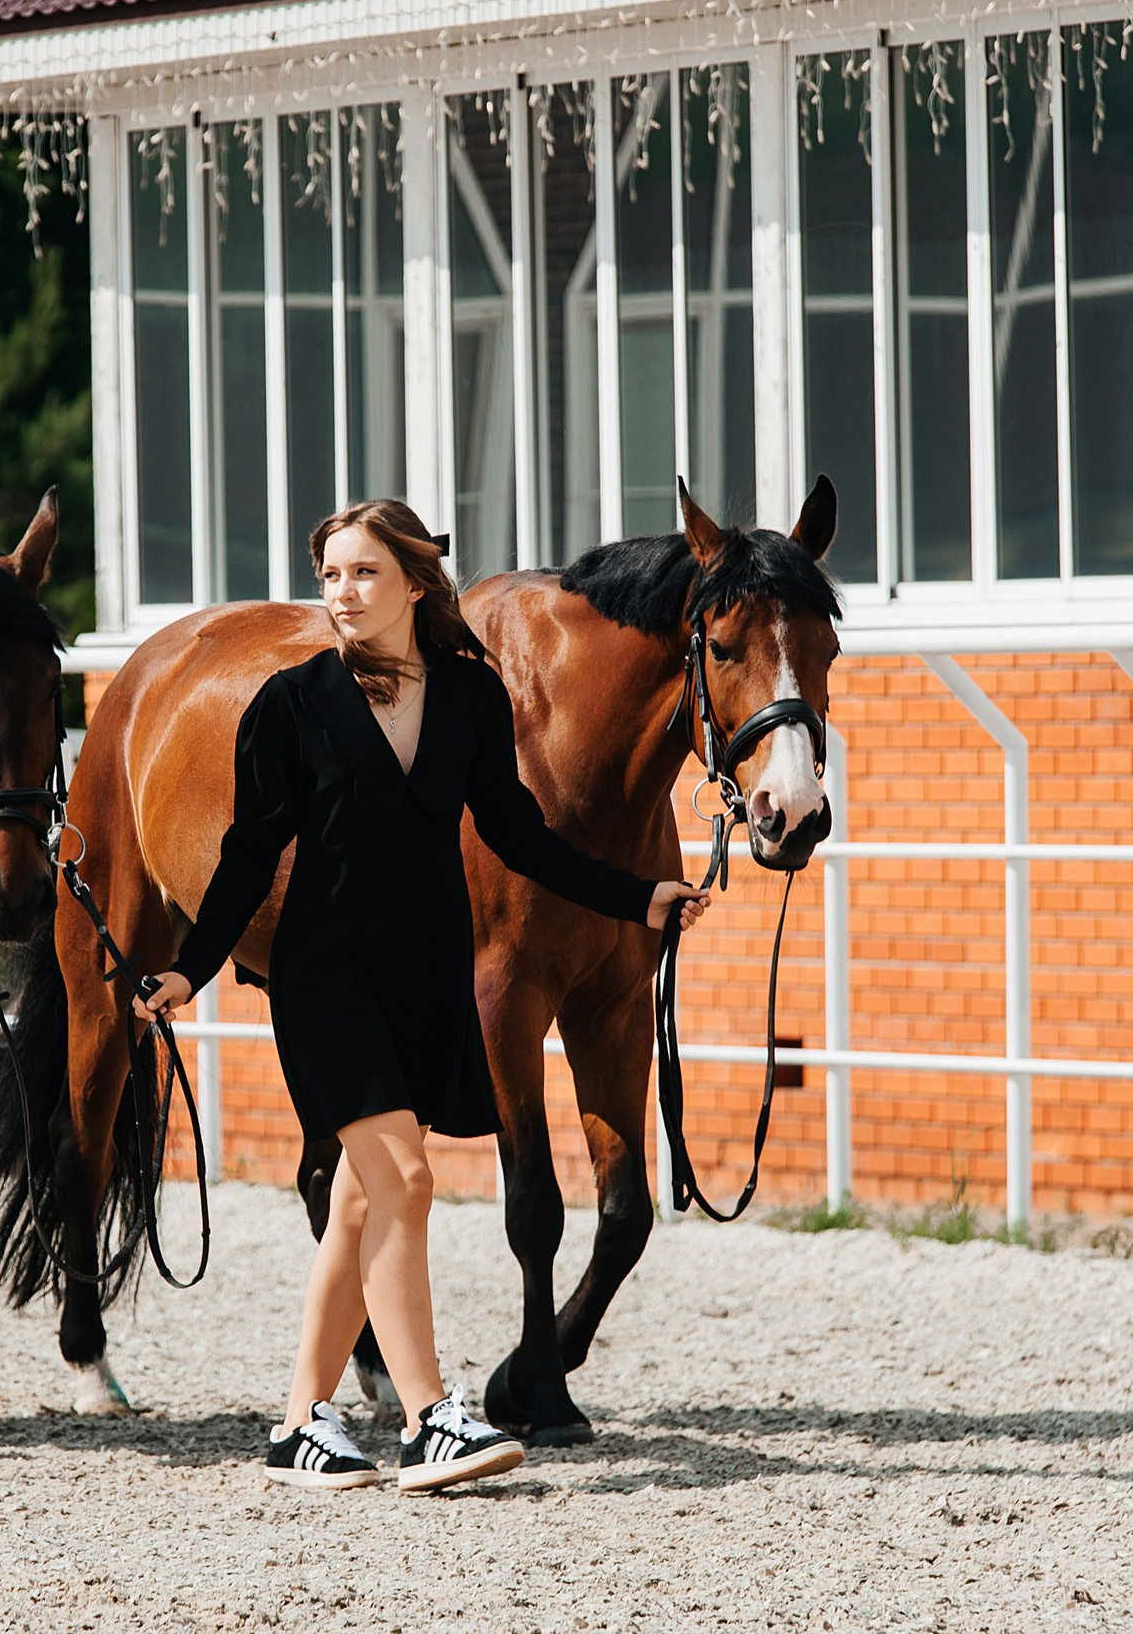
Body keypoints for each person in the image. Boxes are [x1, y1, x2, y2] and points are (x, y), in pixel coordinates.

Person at [134, 499, 706, 1494]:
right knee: (404, 1177)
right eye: (330, 576)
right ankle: (428, 1414)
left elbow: (519, 835)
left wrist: (637, 895)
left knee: (361, 1203)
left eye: (363, 573)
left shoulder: (471, 699)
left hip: (424, 979)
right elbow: (248, 853)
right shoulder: (290, 703)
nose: (342, 594)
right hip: (325, 977)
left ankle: (299, 1424)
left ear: (412, 583)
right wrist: (193, 964)